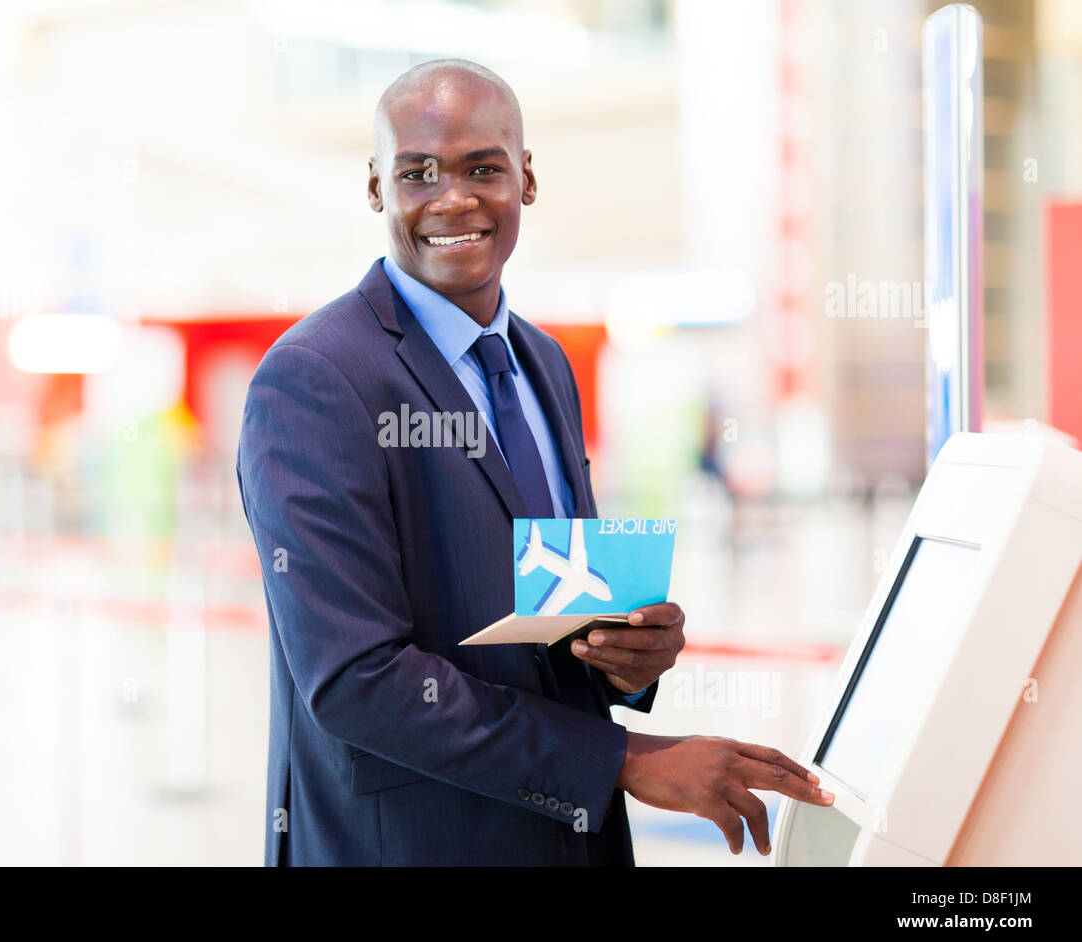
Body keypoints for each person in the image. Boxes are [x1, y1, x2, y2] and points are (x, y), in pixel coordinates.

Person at [236, 58, 834, 866]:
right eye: (418, 173)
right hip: (413, 845)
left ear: (526, 178)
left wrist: (627, 653)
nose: (454, 199)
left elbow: (550, 600)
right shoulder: (317, 378)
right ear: (377, 187)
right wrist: (626, 759)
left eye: (484, 168)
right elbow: (356, 679)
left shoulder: (541, 362)